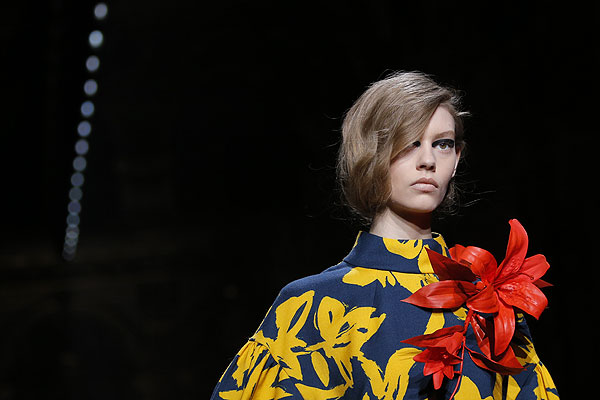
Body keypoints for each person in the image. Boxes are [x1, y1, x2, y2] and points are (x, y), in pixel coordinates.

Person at [210, 71, 559, 399]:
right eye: (409, 142)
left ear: (456, 159)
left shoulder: (492, 304)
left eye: (442, 144)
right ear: (371, 152)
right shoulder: (311, 305)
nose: (428, 160)